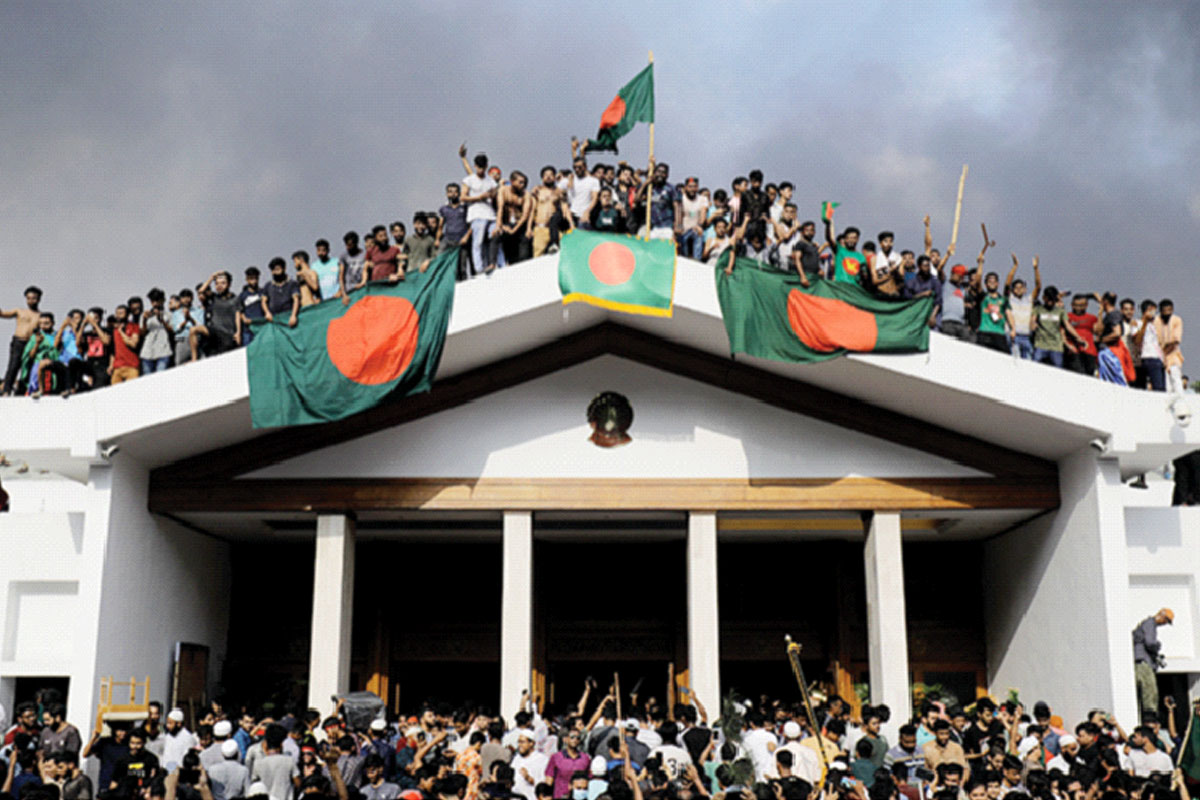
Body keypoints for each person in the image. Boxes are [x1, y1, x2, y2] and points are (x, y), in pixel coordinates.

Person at [1, 286, 43, 396]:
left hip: (30, 344)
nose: (30, 301)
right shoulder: (20, 311)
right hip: (18, 341)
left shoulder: (40, 316)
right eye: (28, 298)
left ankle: (22, 392)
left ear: (38, 299)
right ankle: (6, 390)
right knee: (13, 365)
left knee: (27, 368)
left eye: (33, 298)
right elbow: (3, 314)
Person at [462, 152, 498, 276]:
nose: (481, 170)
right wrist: (479, 197)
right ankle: (478, 269)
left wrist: (493, 194)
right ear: (475, 166)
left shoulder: (491, 181)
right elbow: (463, 197)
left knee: (495, 236)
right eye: (479, 167)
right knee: (478, 242)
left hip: (491, 214)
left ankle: (497, 264)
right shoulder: (469, 180)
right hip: (477, 215)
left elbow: (495, 195)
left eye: (483, 167)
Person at [1132, 608, 1173, 716]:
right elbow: (1150, 643)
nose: (1165, 624)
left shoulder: (1148, 624)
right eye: (1166, 621)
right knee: (1149, 691)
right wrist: (1157, 646)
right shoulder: (1150, 624)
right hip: (1143, 662)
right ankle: (1150, 716)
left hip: (1142, 661)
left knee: (1146, 692)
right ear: (1161, 616)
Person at [190, 272, 239, 360]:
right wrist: (212, 277)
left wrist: (238, 332)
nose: (219, 285)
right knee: (193, 330)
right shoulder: (214, 297)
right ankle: (194, 359)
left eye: (223, 283)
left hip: (228, 334)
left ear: (229, 284)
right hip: (214, 331)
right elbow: (201, 291)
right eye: (217, 284)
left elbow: (238, 315)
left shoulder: (235, 299)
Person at [1031, 287, 1084, 368]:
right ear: (1044, 298)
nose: (1050, 302)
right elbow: (1033, 320)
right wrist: (1033, 324)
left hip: (1056, 346)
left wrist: (1078, 337)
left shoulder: (1060, 311)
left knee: (1058, 368)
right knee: (1034, 365)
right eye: (1049, 299)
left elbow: (1067, 325)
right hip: (1041, 344)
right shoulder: (1038, 309)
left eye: (1052, 299)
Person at [528, 167, 573, 258]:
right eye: (546, 175)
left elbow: (565, 208)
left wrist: (572, 224)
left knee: (566, 251)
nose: (548, 177)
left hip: (555, 229)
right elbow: (532, 211)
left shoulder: (559, 192)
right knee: (537, 257)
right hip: (540, 228)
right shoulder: (537, 191)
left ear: (555, 177)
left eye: (551, 175)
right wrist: (529, 228)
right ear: (542, 178)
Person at [1004, 255, 1041, 360]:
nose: (1019, 289)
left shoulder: (1028, 300)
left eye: (1022, 287)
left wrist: (1036, 269)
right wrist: (1015, 266)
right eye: (1016, 287)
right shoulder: (1010, 299)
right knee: (1015, 362)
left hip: (1026, 336)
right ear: (1013, 290)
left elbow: (1038, 287)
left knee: (1028, 363)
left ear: (1025, 289)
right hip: (1013, 336)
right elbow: (1007, 283)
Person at [251, 725, 299, 800]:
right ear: (281, 744)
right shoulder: (289, 761)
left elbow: (254, 784)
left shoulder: (258, 763)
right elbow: (298, 783)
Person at [636, 159, 680, 240]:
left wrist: (677, 225)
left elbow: (677, 207)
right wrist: (645, 183)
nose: (660, 174)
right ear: (655, 173)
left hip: (666, 227)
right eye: (658, 171)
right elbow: (637, 199)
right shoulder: (649, 187)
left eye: (663, 173)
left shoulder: (671, 188)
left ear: (667, 175)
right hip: (652, 227)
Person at [823, 211, 867, 285]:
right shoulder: (839, 250)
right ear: (845, 239)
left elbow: (864, 277)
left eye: (854, 238)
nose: (851, 240)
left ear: (857, 239)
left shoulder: (861, 258)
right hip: (840, 288)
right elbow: (829, 238)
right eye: (849, 238)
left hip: (854, 289)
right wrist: (828, 224)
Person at [566, 141, 600, 228]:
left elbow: (594, 198)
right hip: (571, 215)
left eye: (580, 167)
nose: (577, 169)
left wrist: (587, 211)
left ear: (585, 167)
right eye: (575, 168)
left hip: (584, 216)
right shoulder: (571, 178)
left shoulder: (593, 181)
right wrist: (573, 150)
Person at [1155, 299, 1185, 397]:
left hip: (1173, 355)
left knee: (1176, 379)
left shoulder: (1177, 320)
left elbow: (1176, 341)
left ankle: (1181, 404)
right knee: (1166, 385)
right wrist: (1161, 355)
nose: (1168, 313)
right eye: (1165, 310)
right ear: (1161, 311)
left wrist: (1164, 352)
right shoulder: (1156, 320)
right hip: (1158, 355)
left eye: (1170, 310)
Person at [1064, 294, 1100, 375]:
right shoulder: (1067, 316)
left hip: (1089, 351)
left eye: (1081, 305)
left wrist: (1100, 309)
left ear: (1086, 305)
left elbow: (1098, 331)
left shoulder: (1092, 318)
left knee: (1089, 375)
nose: (1078, 308)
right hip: (1074, 351)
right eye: (1075, 305)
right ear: (1072, 305)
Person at [139, 289, 173, 374]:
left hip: (164, 351)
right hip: (147, 352)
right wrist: (144, 320)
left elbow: (172, 331)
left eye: (157, 300)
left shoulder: (168, 315)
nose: (155, 303)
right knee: (148, 380)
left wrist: (162, 321)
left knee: (160, 378)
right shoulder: (145, 314)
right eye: (152, 301)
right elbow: (142, 333)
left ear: (163, 300)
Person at [261, 257, 300, 328]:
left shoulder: (292, 284)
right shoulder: (268, 285)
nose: (276, 272)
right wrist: (267, 313)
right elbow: (263, 301)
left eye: (278, 269)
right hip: (274, 320)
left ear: (284, 269)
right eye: (274, 270)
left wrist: (294, 315)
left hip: (288, 318)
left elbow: (296, 299)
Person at [108, 305, 141, 385]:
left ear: (127, 315)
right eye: (117, 313)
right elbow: (113, 349)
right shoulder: (113, 330)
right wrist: (111, 365)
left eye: (121, 313)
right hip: (117, 367)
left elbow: (133, 344)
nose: (118, 315)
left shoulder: (134, 326)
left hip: (131, 366)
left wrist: (121, 332)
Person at [678, 178, 709, 259]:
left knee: (698, 235)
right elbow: (679, 215)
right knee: (681, 238)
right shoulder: (681, 198)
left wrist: (699, 225)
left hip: (696, 228)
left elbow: (703, 215)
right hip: (684, 228)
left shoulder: (702, 199)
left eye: (695, 187)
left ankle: (697, 260)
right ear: (686, 187)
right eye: (690, 187)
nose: (692, 189)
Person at [236, 268, 266, 346]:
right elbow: (239, 311)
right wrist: (244, 319)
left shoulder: (263, 292)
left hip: (261, 328)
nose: (254, 281)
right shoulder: (242, 295)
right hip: (247, 330)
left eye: (255, 278)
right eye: (251, 278)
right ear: (247, 279)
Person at [339, 232, 368, 302]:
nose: (348, 247)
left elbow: (366, 270)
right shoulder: (344, 256)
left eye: (350, 245)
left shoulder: (365, 254)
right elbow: (341, 276)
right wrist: (343, 294)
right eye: (346, 245)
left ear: (356, 243)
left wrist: (363, 283)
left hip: (362, 289)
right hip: (350, 291)